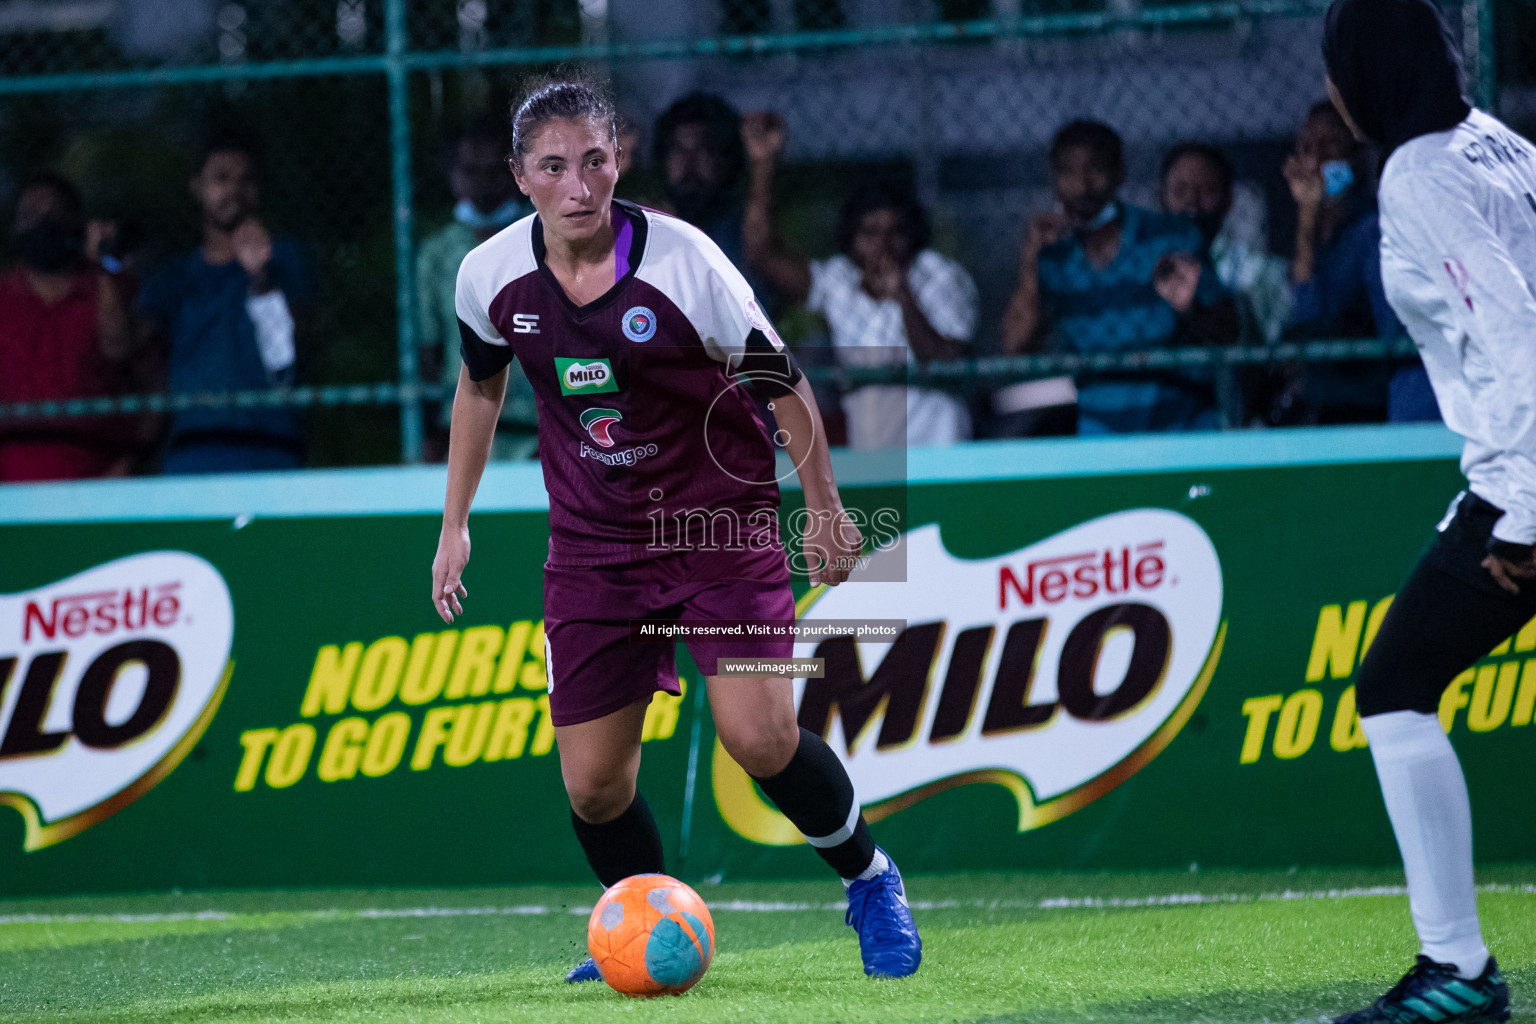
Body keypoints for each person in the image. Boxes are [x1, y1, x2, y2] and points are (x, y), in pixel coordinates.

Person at [429, 76, 922, 984]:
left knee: (761, 737)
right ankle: (642, 924)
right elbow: (480, 385)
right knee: (594, 785)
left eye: (596, 160)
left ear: (620, 159)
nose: (580, 185)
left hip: (720, 530)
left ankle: (871, 881)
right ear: (518, 176)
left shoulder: (686, 261)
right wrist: (453, 523)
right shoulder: (488, 276)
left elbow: (781, 382)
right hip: (590, 547)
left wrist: (824, 503)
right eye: (554, 167)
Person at [1321, 0, 1532, 1020]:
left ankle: (1459, 972)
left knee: (1397, 684)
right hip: (1513, 472)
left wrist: (1528, 520)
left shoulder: (1418, 173)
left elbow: (1520, 339)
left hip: (1525, 483)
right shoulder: (1496, 143)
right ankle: (1457, 970)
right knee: (1399, 682)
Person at [741, 111, 976, 449]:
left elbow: (948, 364)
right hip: (875, 458)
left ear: (914, 235)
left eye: (896, 232)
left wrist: (903, 294)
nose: (883, 245)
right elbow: (762, 254)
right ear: (851, 239)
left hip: (942, 452)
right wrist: (764, 165)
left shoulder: (940, 274)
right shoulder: (839, 280)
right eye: (870, 232)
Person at [1002, 120, 1238, 434]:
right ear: (1054, 180)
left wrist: (1191, 307)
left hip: (1183, 429)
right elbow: (1016, 346)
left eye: (1095, 170)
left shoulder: (1170, 239)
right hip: (1101, 436)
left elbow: (1228, 332)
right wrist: (1031, 261)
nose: (1082, 185)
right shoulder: (1052, 258)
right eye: (1068, 172)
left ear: (1119, 173)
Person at [137, 132, 314, 474]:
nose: (233, 190)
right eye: (221, 178)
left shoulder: (288, 262)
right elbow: (137, 354)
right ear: (197, 186)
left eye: (245, 180)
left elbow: (293, 350)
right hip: (193, 447)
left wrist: (261, 279)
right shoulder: (174, 276)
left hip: (271, 447)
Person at [1278, 101, 1434, 424]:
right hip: (1326, 406)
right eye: (1307, 147)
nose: (1316, 160)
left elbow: (1392, 331)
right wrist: (1307, 217)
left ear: (1357, 157)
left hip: (1372, 405)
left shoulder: (1373, 230)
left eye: (1331, 146)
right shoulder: (1311, 239)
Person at [0, 171, 137, 482]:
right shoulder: (4, 299)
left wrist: (103, 265)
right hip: (10, 486)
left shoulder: (112, 290)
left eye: (55, 214)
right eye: (31, 215)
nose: (43, 224)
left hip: (96, 480)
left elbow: (124, 354)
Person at [417, 117, 536, 462]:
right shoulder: (435, 254)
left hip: (534, 428)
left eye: (493, 170)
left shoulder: (544, 239)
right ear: (453, 174)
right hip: (462, 428)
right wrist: (431, 433)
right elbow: (429, 350)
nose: (483, 182)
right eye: (471, 170)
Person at [1160, 141, 1292, 345]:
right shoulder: (1143, 263)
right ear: (1162, 196)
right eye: (1180, 190)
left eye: (1206, 190)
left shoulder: (1262, 271)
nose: (1192, 200)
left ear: (1228, 198)